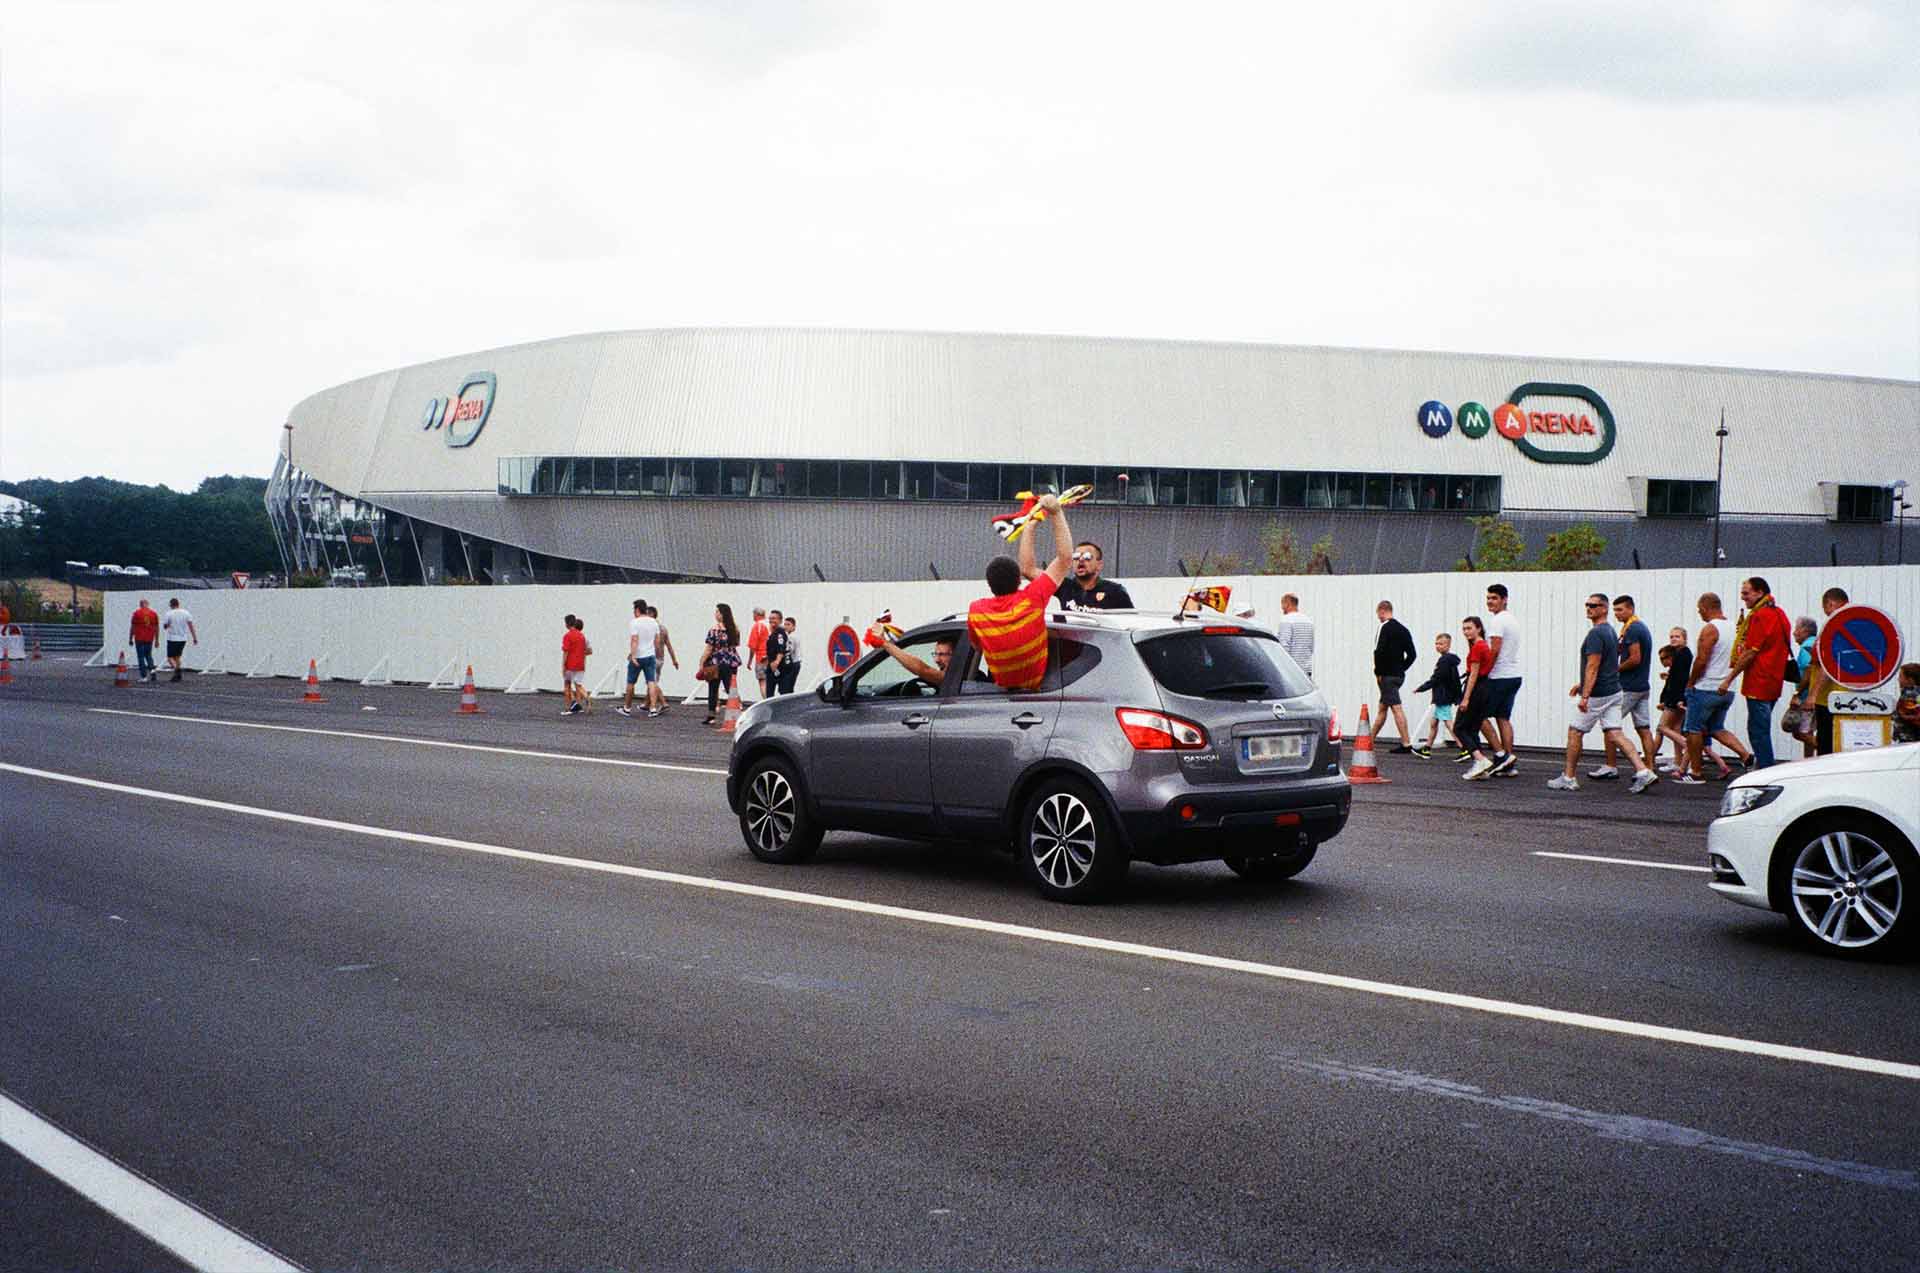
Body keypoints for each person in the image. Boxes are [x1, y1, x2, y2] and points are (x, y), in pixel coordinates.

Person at [1548, 593, 1659, 793]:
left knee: (1575, 731)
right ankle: (1644, 771)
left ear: (1603, 609)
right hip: (1614, 691)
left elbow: (1593, 666)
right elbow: (1608, 665)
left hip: (1599, 694)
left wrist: (1585, 695)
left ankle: (1569, 777)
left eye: (1594, 605)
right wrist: (1582, 685)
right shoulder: (1610, 631)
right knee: (1615, 732)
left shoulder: (1596, 634)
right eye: (1587, 605)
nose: (1589, 608)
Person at [968, 492, 1073, 690]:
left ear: (989, 585)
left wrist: (1030, 525)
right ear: (1019, 580)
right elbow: (1065, 558)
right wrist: (1057, 513)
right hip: (1040, 692)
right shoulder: (1033, 598)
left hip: (1002, 697)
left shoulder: (976, 611)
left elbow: (976, 647)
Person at [1678, 592, 1752, 784]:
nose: (1699, 613)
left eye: (1699, 609)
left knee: (1692, 729)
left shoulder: (1710, 629)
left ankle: (1695, 772)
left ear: (1705, 607)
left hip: (1706, 687)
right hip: (1727, 688)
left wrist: (1691, 681)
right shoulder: (1735, 628)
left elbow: (1702, 659)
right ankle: (1745, 755)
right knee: (1716, 727)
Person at [1720, 576, 1791, 769]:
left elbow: (1751, 651)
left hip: (1758, 681)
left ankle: (1765, 770)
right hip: (1774, 680)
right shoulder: (1780, 614)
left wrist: (1728, 679)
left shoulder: (1761, 616)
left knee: (1758, 731)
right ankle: (1763, 766)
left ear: (1760, 592)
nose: (1743, 598)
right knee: (1762, 728)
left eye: (1746, 593)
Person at [1592, 595, 1655, 780]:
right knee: (1643, 728)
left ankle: (1611, 765)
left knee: (1610, 726)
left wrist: (1613, 669)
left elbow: (1635, 658)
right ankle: (1650, 767)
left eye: (1620, 610)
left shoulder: (1633, 629)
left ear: (1631, 609)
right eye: (1615, 610)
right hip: (1643, 685)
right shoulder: (1640, 627)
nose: (1617, 614)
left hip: (1629, 686)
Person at [1793, 587, 1851, 755]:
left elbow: (1827, 665)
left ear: (1830, 604)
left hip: (1829, 698)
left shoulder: (1834, 627)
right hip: (1847, 694)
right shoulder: (1853, 623)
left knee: (1826, 744)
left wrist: (1812, 695)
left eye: (1825, 608)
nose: (1825, 613)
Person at [1481, 584, 1522, 776]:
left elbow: (1494, 650)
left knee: (1478, 716)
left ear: (1505, 599)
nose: (1490, 601)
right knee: (1503, 718)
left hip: (1499, 675)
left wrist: (1484, 671)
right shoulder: (1512, 619)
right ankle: (1509, 762)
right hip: (1513, 675)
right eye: (1488, 598)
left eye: (1494, 598)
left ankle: (1500, 755)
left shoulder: (1497, 621)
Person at [1370, 600, 1418, 752]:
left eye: (1378, 613)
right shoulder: (1403, 629)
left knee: (1396, 707)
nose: (1378, 617)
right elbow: (1412, 654)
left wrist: (1378, 672)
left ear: (1382, 611)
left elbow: (1378, 651)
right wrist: (1401, 669)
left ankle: (1406, 743)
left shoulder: (1383, 627)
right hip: (1398, 675)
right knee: (1383, 707)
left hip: (1387, 676)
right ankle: (1369, 740)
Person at [1456, 617, 1501, 780]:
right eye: (1464, 629)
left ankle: (1480, 759)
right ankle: (1479, 765)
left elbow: (1474, 674)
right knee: (1473, 728)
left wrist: (1466, 698)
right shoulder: (1483, 646)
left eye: (1469, 628)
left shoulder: (1477, 647)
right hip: (1484, 689)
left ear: (1479, 629)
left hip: (1476, 689)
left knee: (1459, 728)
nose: (1466, 632)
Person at [1410, 632, 1462, 759]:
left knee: (1449, 724)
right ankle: (1427, 748)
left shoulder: (1444, 661)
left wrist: (1421, 688)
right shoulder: (1450, 661)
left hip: (1442, 697)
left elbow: (1436, 679)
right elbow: (1455, 681)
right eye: (1436, 643)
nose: (1438, 646)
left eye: (1441, 644)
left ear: (1448, 645)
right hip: (1442, 697)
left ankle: (1464, 747)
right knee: (1433, 723)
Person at [1654, 627, 1696, 773]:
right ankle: (1678, 761)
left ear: (1684, 638)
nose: (1673, 639)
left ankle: (1688, 746)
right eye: (1671, 636)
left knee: (1662, 727)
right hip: (1677, 697)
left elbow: (1681, 679)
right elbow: (1675, 677)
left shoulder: (1683, 654)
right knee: (1676, 728)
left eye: (1677, 636)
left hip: (1676, 698)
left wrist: (1678, 699)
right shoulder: (1678, 654)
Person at [1054, 541, 1134, 610]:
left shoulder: (1115, 591)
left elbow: (1130, 622)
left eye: (1087, 557)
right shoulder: (1064, 586)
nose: (1081, 559)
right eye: (1076, 556)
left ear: (1099, 565)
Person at [700, 603, 742, 726]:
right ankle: (738, 710)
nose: (716, 614)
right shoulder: (735, 629)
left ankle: (711, 715)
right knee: (731, 688)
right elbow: (736, 644)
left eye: (717, 612)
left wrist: (702, 662)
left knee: (713, 688)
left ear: (722, 614)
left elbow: (709, 648)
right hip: (731, 660)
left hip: (716, 661)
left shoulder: (714, 630)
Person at [618, 598, 660, 718]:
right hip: (650, 655)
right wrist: (654, 652)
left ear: (637, 609)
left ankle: (627, 708)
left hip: (638, 656)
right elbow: (657, 640)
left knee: (631, 682)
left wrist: (633, 655)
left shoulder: (635, 622)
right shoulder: (653, 622)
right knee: (651, 682)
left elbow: (634, 640)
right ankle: (653, 708)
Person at [1784, 617, 1820, 758]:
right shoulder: (1815, 643)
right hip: (1815, 697)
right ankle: (1809, 762)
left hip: (1807, 698)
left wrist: (1797, 693)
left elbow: (1809, 672)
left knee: (1799, 732)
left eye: (1796, 629)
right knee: (1808, 731)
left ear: (1805, 630)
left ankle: (1828, 751)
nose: (1793, 633)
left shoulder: (1807, 647)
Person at [875, 632, 957, 690]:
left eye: (942, 654)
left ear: (956, 655)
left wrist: (885, 644)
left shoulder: (954, 677)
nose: (936, 660)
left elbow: (923, 670)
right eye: (935, 654)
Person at [1273, 593, 1315, 679]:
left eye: (1282, 604)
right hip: (1306, 669)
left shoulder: (1286, 620)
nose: (1282, 608)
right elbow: (1311, 647)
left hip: (1291, 671)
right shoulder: (1308, 621)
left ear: (1287, 604)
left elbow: (1284, 646)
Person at [647, 606, 679, 713]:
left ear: (651, 614)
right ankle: (646, 704)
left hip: (652, 658)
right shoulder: (663, 628)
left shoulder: (651, 628)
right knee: (652, 681)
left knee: (652, 682)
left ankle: (664, 703)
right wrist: (674, 660)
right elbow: (669, 646)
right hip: (661, 660)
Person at [160, 598, 197, 682]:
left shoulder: (169, 614)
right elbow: (191, 626)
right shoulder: (186, 613)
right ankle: (177, 672)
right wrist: (194, 637)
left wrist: (169, 625)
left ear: (171, 605)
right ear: (178, 604)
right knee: (177, 657)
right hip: (182, 638)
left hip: (172, 638)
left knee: (170, 658)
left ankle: (177, 672)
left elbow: (165, 626)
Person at [560, 615, 591, 715]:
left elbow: (566, 651)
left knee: (567, 685)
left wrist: (563, 665)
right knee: (578, 685)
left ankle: (568, 708)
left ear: (567, 624)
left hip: (570, 664)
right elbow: (588, 650)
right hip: (580, 664)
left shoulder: (567, 636)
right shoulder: (582, 636)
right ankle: (586, 698)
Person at [129, 597, 161, 683]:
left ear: (140, 604)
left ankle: (143, 676)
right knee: (149, 656)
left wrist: (130, 638)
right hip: (149, 638)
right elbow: (156, 628)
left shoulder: (136, 613)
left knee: (140, 657)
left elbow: (133, 627)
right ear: (148, 604)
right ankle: (152, 671)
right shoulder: (154, 614)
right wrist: (157, 640)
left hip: (139, 638)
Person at [746, 607, 771, 696]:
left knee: (763, 682)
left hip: (761, 657)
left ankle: (766, 702)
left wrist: (749, 661)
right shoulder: (771, 624)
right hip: (773, 657)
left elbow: (753, 646)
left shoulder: (757, 626)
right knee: (771, 682)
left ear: (756, 615)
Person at [764, 609, 789, 695]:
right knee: (769, 692)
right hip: (771, 666)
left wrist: (777, 662)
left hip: (779, 667)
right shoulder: (773, 633)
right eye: (770, 618)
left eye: (774, 618)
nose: (771, 620)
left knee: (782, 692)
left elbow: (781, 649)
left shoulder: (780, 633)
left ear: (780, 620)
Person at [1893, 664, 1920, 744]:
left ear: (1910, 680)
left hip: (1909, 743)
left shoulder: (1909, 696)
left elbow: (1914, 718)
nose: (1898, 680)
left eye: (1901, 676)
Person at [775, 615, 801, 694]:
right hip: (793, 663)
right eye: (785, 624)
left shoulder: (791, 637)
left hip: (792, 663)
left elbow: (788, 650)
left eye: (788, 624)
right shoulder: (788, 636)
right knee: (788, 687)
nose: (786, 626)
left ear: (794, 626)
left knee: (786, 687)